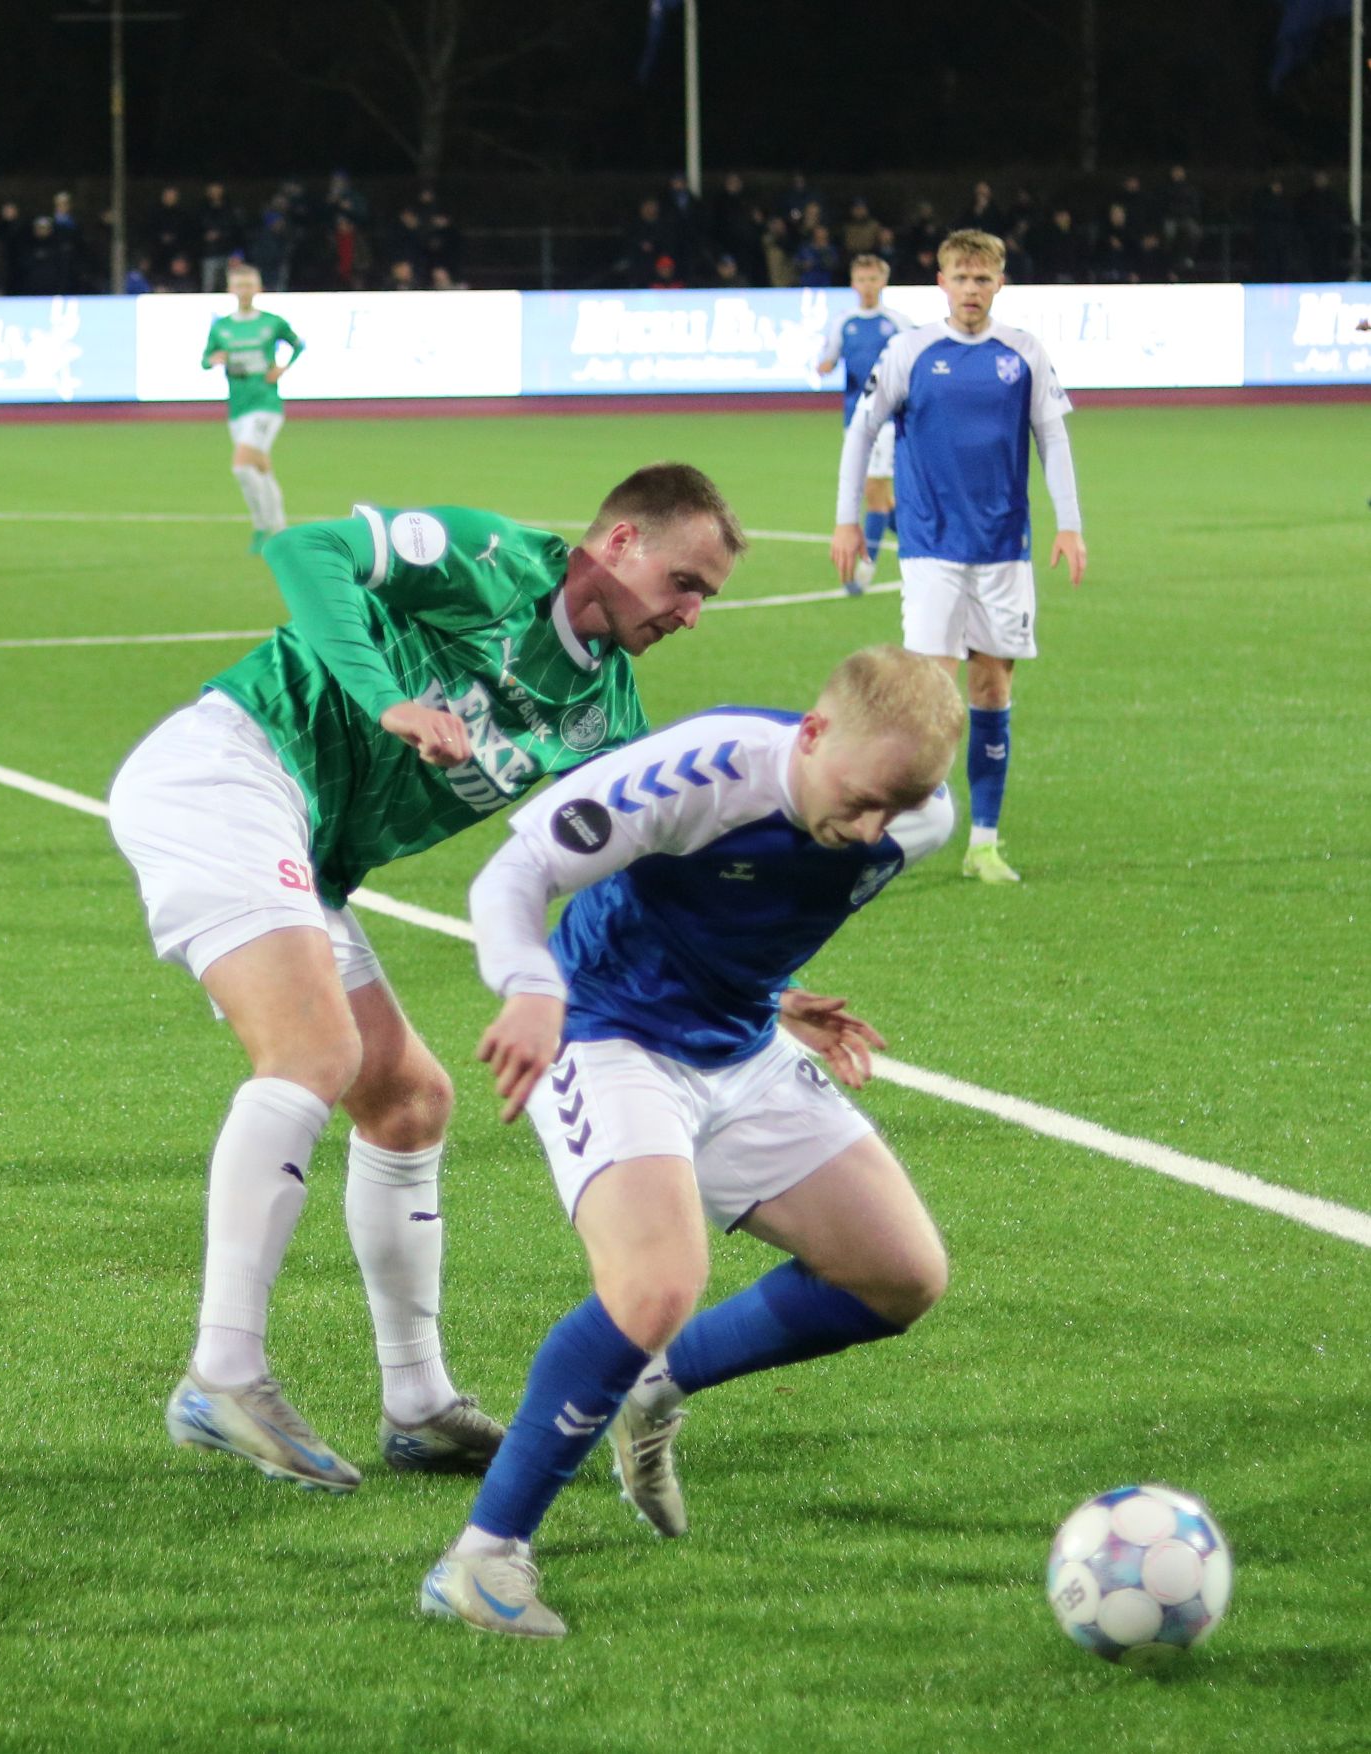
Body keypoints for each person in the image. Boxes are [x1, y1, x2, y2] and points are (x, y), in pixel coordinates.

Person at [108, 466, 747, 1496]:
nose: (690, 613)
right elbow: (302, 550)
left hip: (306, 848)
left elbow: (649, 869)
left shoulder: (606, 712)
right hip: (231, 766)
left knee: (408, 1102)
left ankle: (418, 1404)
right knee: (313, 1051)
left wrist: (766, 979)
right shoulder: (492, 559)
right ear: (620, 542)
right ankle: (221, 1371)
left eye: (705, 596)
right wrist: (388, 698)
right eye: (685, 582)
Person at [420, 646, 961, 1639]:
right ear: (811, 733)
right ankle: (483, 1555)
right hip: (604, 1032)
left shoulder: (917, 822)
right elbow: (516, 870)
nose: (879, 824)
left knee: (900, 1274)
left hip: (742, 1046)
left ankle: (657, 1383)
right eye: (867, 795)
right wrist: (532, 987)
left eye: (906, 800)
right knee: (656, 1282)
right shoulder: (699, 770)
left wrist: (780, 998)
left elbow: (757, 910)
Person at [832, 229, 1083, 885]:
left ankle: (983, 842)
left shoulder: (1022, 353)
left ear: (999, 284)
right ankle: (880, 834)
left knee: (992, 690)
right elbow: (860, 431)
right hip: (929, 548)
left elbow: (1052, 440)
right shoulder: (910, 349)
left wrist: (1069, 525)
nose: (971, 289)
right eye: (960, 277)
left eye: (982, 278)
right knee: (925, 695)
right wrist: (846, 522)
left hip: (1004, 550)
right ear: (939, 282)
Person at [812, 253, 913, 590]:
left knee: (874, 493)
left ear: (883, 282)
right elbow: (829, 357)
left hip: (888, 419)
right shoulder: (845, 322)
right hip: (855, 419)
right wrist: (824, 365)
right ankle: (927, 537)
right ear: (853, 283)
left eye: (874, 279)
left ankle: (864, 571)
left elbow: (917, 360)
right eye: (862, 279)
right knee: (883, 498)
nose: (868, 286)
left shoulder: (897, 322)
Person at [200, 262, 304, 553]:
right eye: (239, 285)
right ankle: (279, 528)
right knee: (260, 467)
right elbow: (205, 359)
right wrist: (214, 359)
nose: (244, 290)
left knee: (241, 466)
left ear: (258, 288)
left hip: (265, 404)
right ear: (231, 289)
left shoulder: (272, 322)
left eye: (249, 285)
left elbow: (299, 344)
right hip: (238, 407)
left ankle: (261, 526)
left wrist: (284, 367)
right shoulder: (222, 327)